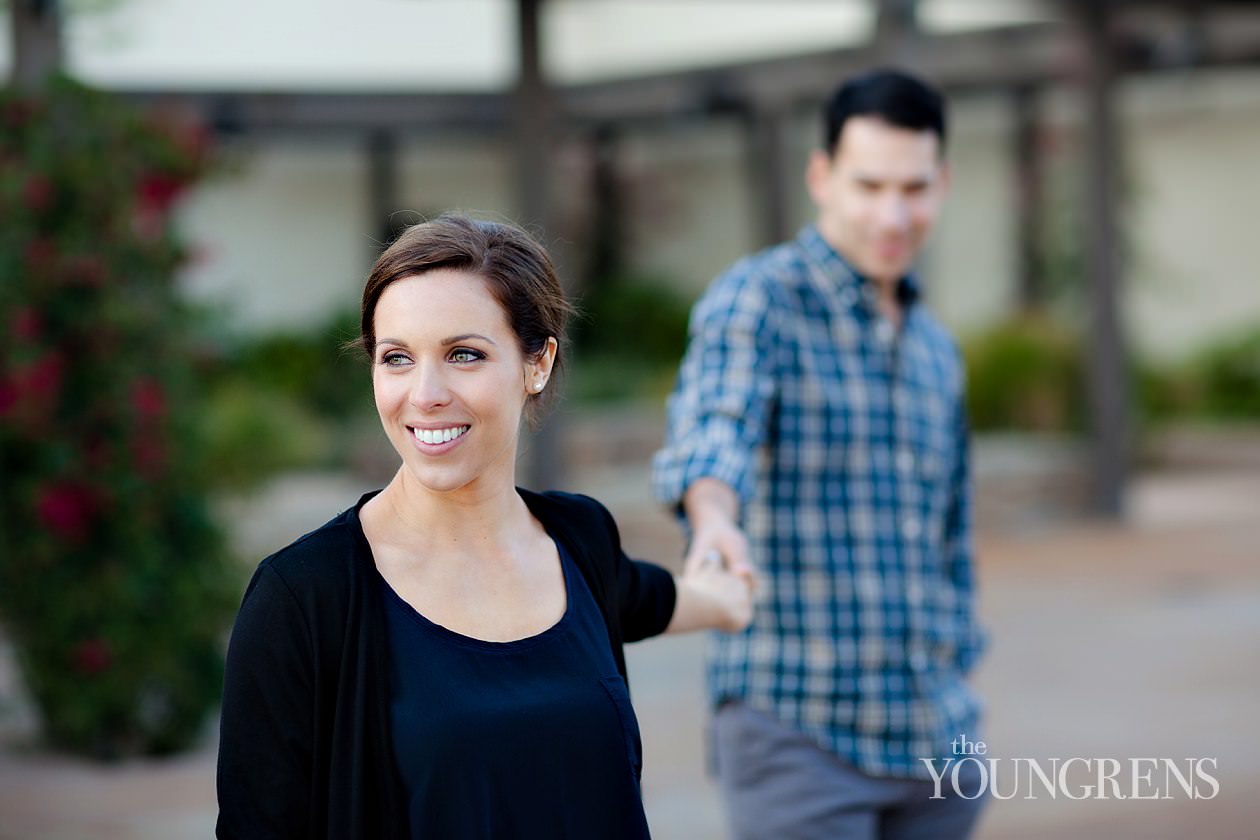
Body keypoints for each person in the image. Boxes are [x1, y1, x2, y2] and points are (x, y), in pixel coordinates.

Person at [216, 213, 754, 839]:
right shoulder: (303, 597)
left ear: (538, 363)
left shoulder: (579, 540)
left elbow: (658, 598)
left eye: (463, 354)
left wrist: (729, 584)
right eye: (397, 358)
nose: (425, 393)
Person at [652, 69, 988, 839]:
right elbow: (716, 424)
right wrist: (713, 518)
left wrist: (961, 673)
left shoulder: (936, 346)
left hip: (934, 740)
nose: (893, 214)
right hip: (799, 732)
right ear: (821, 176)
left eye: (915, 188)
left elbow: (950, 534)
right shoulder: (759, 299)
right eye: (869, 185)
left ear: (943, 184)